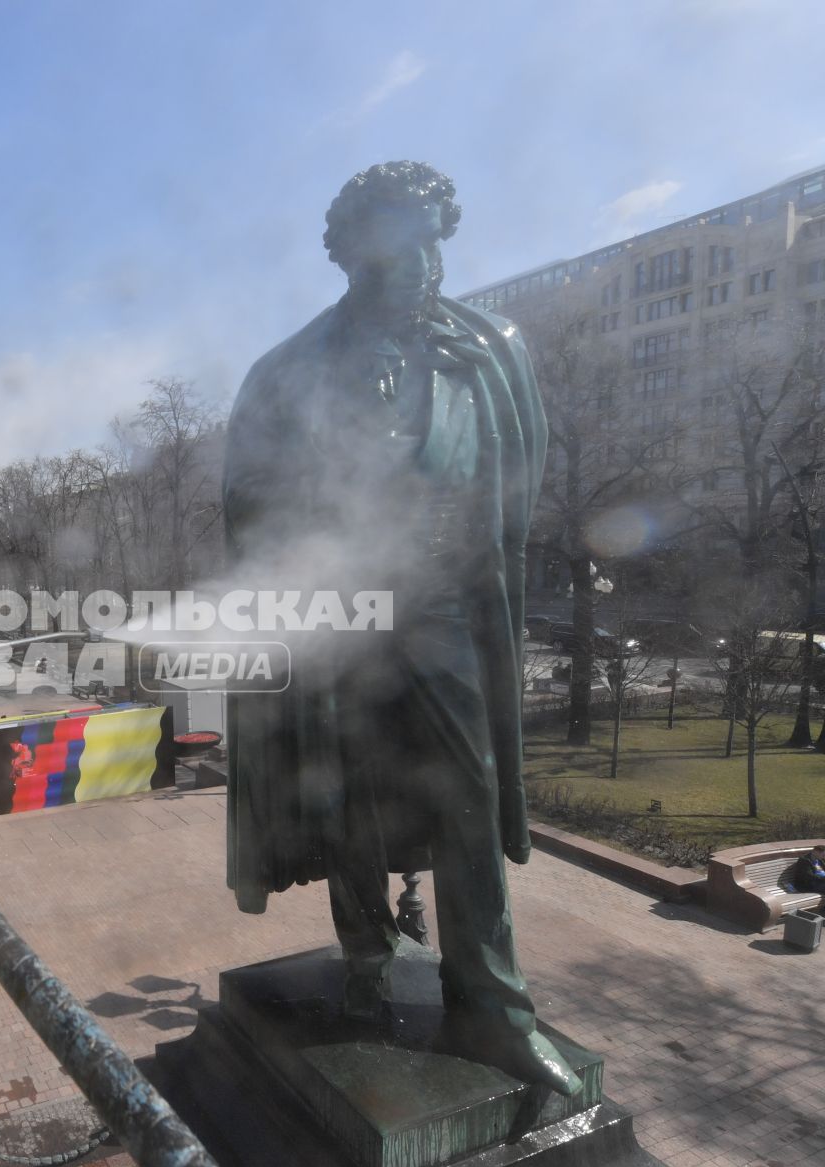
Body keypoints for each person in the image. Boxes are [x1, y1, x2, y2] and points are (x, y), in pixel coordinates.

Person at [223, 162, 573, 1095]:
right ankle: (367, 963)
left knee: (468, 790)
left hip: (444, 605)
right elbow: (246, 505)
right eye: (396, 240)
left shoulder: (491, 348)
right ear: (348, 253)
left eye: (433, 238)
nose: (421, 260)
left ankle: (491, 1010)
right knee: (343, 793)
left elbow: (517, 487)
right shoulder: (288, 371)